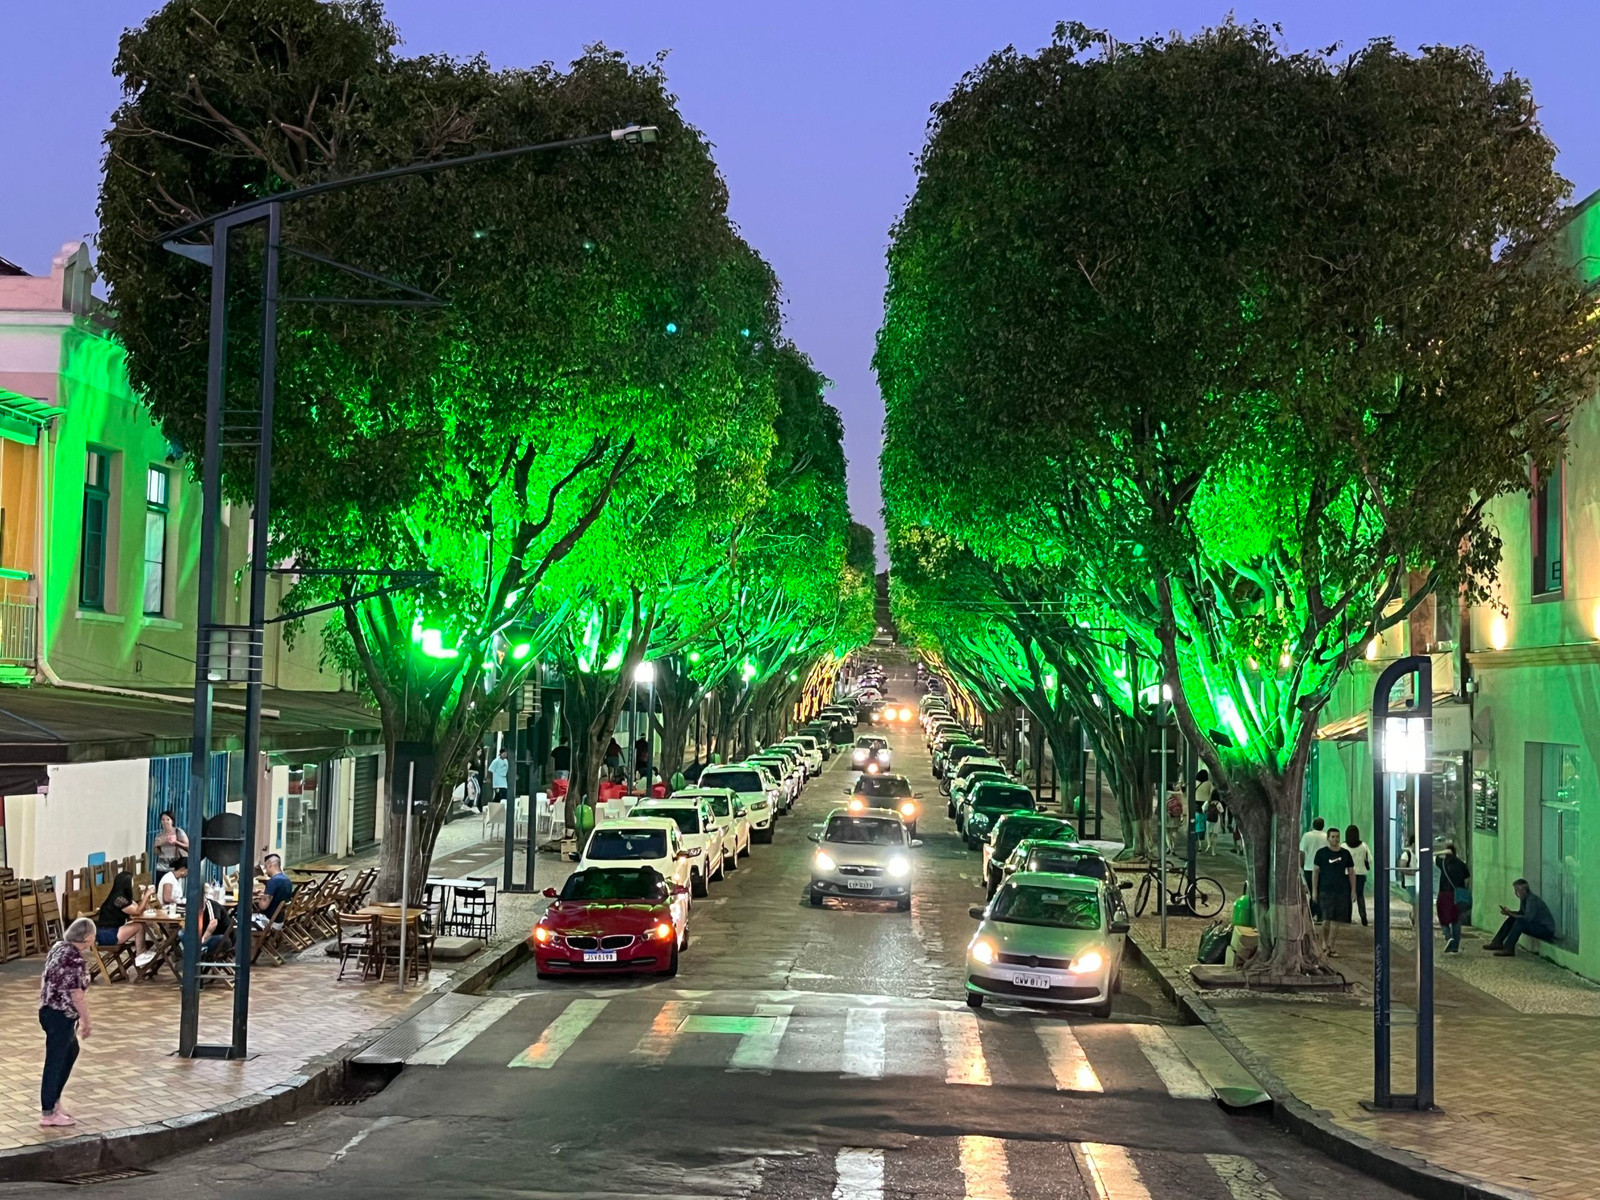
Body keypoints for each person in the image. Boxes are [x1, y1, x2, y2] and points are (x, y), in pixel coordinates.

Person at [38, 917, 95, 1128]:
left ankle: (55, 1101)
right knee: (55, 1060)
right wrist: (86, 1020)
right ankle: (48, 1113)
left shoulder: (58, 947)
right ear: (88, 938)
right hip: (59, 1014)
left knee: (71, 1051)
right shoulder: (75, 960)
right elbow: (76, 994)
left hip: (48, 1011)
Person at [95, 870, 153, 968]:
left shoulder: (121, 897)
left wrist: (143, 896)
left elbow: (135, 909)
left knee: (140, 924)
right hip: (108, 934)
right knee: (139, 925)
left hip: (110, 931)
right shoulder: (118, 899)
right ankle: (140, 954)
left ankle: (142, 953)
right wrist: (147, 896)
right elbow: (138, 912)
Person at [1313, 827, 1356, 956]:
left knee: (1336, 920)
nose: (1335, 839)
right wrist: (1314, 891)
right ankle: (1324, 943)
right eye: (1333, 836)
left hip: (1341, 890)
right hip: (1325, 890)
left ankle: (1331, 945)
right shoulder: (1321, 853)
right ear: (1328, 838)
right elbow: (1316, 872)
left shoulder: (1345, 854)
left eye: (1337, 836)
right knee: (1326, 919)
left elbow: (1351, 872)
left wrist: (1353, 890)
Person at [1484, 878, 1555, 956]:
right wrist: (1509, 913)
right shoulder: (1524, 899)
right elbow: (1521, 913)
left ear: (1524, 890)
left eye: (1517, 890)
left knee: (1520, 922)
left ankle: (1509, 948)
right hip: (1535, 925)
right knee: (1512, 919)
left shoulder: (1532, 900)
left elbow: (1527, 918)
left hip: (1545, 930)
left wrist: (1511, 914)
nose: (1515, 892)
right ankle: (1497, 942)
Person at [1436, 841, 1471, 953]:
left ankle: (1448, 937)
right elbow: (1467, 881)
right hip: (1458, 896)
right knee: (1456, 919)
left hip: (1445, 894)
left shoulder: (1442, 863)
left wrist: (1443, 850)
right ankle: (1455, 945)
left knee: (1443, 918)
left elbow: (1432, 855)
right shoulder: (1462, 864)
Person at [253, 853, 293, 930]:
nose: (265, 871)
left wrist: (260, 900)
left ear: (270, 865)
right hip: (280, 920)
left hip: (269, 922)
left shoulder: (273, 881)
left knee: (241, 920)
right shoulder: (287, 880)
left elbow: (263, 906)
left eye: (265, 867)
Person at [1299, 818, 1329, 920]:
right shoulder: (1326, 836)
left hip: (1309, 868)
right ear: (1323, 825)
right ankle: (1320, 914)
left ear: (1313, 825)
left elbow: (1302, 852)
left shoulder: (1307, 836)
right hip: (1323, 869)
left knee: (1312, 892)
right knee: (1320, 891)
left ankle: (1312, 913)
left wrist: (1301, 865)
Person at [1344, 826, 1372, 926]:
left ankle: (1347, 917)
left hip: (1347, 874)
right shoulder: (1363, 845)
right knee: (1360, 895)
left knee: (1347, 896)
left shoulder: (1343, 846)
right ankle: (1363, 917)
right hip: (1360, 873)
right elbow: (1369, 860)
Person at [152, 810, 189, 880]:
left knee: (173, 888)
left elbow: (188, 846)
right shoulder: (159, 835)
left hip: (175, 866)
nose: (165, 822)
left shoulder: (178, 832)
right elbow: (156, 852)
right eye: (163, 820)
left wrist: (176, 843)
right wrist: (156, 846)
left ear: (172, 821)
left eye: (168, 819)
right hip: (161, 866)